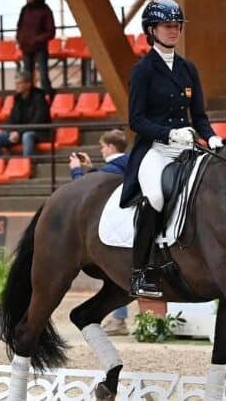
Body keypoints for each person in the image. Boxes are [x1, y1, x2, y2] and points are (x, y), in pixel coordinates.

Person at [120, 0, 224, 299]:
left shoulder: (187, 68)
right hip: (156, 150)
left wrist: (212, 137)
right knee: (154, 197)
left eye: (177, 26)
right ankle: (141, 271)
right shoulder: (143, 70)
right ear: (152, 30)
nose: (174, 30)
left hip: (187, 148)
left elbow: (200, 116)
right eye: (168, 26)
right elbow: (136, 120)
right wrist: (168, 133)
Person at [67, 129, 131, 334]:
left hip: (113, 225)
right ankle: (118, 318)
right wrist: (91, 168)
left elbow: (83, 191)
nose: (102, 150)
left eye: (103, 146)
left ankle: (119, 320)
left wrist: (77, 170)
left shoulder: (112, 168)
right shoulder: (128, 162)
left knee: (116, 272)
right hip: (127, 223)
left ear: (111, 147)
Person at [0, 74, 51, 157]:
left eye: (19, 83)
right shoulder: (17, 99)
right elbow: (12, 119)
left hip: (40, 132)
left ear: (28, 84)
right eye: (16, 84)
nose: (16, 86)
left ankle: (28, 164)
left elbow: (38, 122)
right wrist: (11, 131)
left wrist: (19, 132)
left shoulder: (39, 98)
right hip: (20, 132)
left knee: (27, 136)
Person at [15, 0, 56, 95]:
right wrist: (20, 39)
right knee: (27, 77)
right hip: (26, 47)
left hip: (40, 47)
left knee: (43, 75)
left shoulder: (45, 10)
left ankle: (48, 97)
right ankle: (30, 100)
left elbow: (51, 31)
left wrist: (36, 39)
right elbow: (19, 26)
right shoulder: (25, 9)